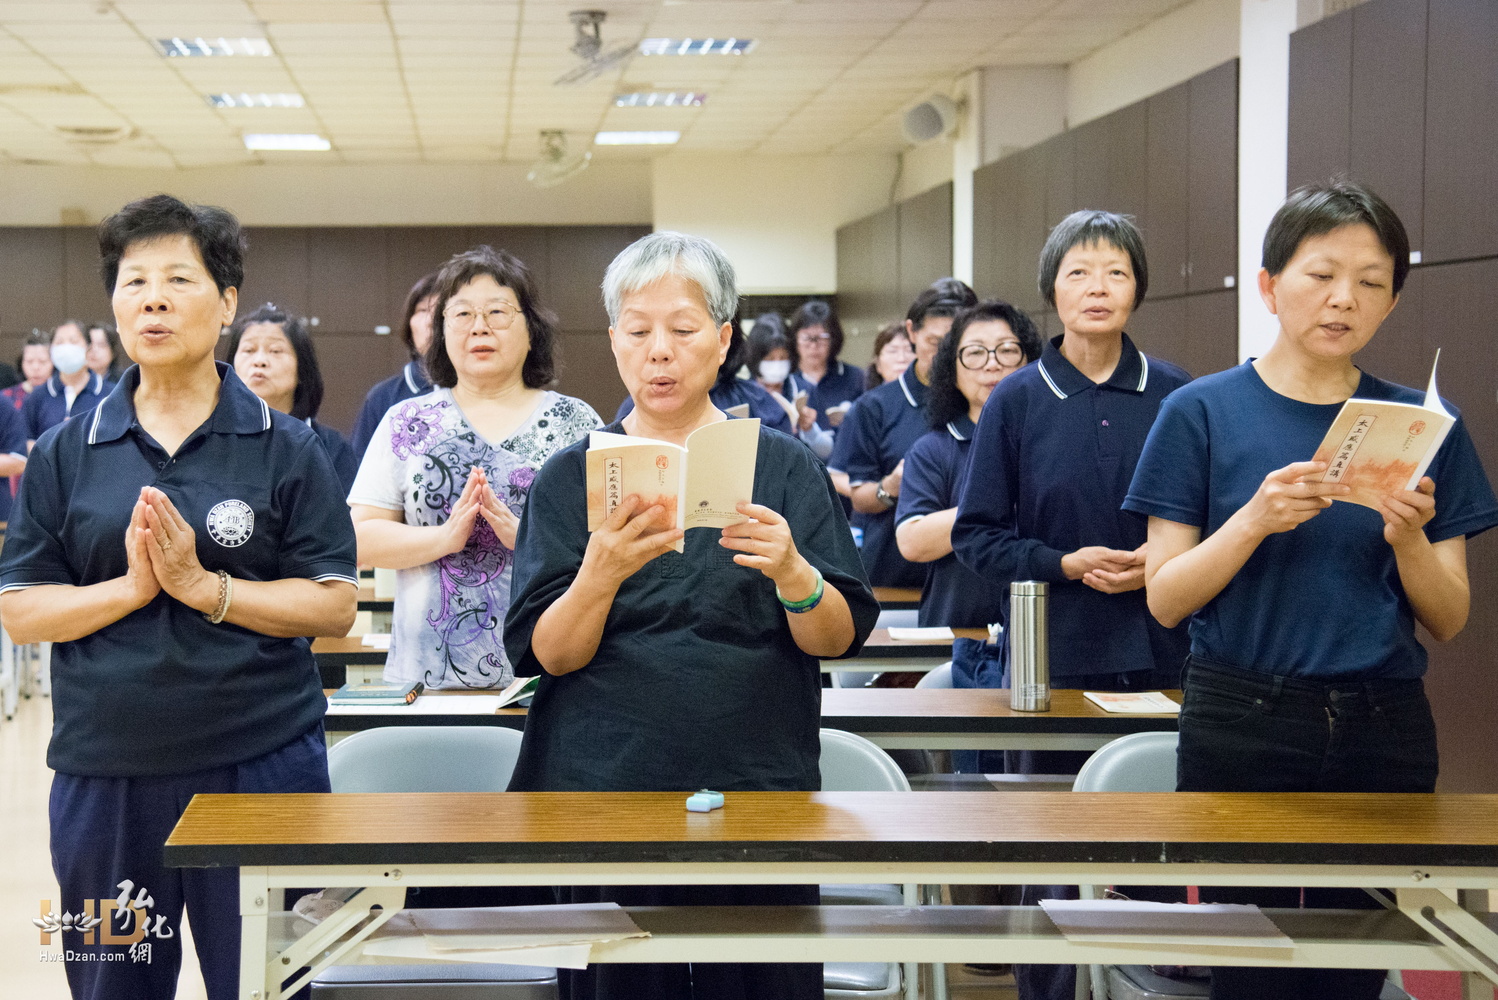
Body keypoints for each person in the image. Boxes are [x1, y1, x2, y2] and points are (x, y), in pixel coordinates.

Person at [1125, 181, 1498, 1000]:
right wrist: (1254, 519)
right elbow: (1165, 597)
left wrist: (1406, 537)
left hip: (1383, 718)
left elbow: (1450, 615)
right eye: (1322, 274)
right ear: (1269, 285)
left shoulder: (1421, 424)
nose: (1344, 299)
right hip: (1243, 713)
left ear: (1394, 299)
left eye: (1372, 282)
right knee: (1249, 963)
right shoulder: (1201, 412)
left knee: (1356, 964)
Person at [0, 193, 358, 1000]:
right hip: (105, 780)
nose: (152, 298)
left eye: (177, 279)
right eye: (133, 282)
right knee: (111, 986)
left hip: (262, 770)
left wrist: (207, 589)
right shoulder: (65, 451)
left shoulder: (287, 446)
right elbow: (20, 605)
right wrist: (131, 590)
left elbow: (334, 603)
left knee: (270, 987)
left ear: (227, 303)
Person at [505, 230, 878, 1000]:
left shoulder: (784, 464)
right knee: (621, 983)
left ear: (724, 337)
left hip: (754, 780)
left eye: (681, 329)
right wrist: (599, 574)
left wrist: (794, 572)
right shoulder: (569, 477)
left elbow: (836, 637)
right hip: (606, 781)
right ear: (613, 343)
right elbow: (551, 656)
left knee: (759, 979)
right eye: (638, 332)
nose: (659, 352)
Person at [951, 211, 1192, 1000]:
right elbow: (977, 538)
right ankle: (1046, 989)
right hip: (1049, 661)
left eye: (1116, 272)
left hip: (1164, 653)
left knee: (1153, 838)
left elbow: (1212, 528)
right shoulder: (1018, 398)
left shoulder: (1181, 396)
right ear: (1052, 289)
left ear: (1138, 288)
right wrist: (1064, 563)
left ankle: (1145, 982)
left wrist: (1162, 561)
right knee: (1050, 848)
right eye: (1080, 273)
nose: (1098, 288)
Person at [349, 245, 601, 692]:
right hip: (425, 680)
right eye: (461, 314)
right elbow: (360, 537)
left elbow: (610, 544)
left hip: (552, 677)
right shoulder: (407, 422)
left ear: (532, 330)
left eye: (498, 312)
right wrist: (443, 538)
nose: (479, 327)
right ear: (441, 331)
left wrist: (527, 538)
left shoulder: (576, 424)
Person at [895, 299, 1041, 631]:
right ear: (952, 370)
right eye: (975, 353)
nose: (992, 365)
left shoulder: (1051, 444)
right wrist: (993, 502)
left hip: (1040, 628)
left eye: (1007, 350)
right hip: (954, 632)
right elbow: (913, 541)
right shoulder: (932, 449)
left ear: (1030, 363)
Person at [830, 279, 976, 586]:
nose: (946, 355)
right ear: (912, 332)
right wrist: (891, 486)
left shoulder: (986, 401)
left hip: (971, 573)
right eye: (936, 343)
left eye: (958, 344)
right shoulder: (874, 407)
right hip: (896, 572)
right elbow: (861, 499)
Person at [227, 303, 358, 493]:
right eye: (248, 350)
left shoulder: (331, 447)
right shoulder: (212, 438)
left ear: (302, 368)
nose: (259, 361)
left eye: (275, 351)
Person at [351, 272, 438, 459]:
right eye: (422, 310)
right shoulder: (382, 398)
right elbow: (360, 477)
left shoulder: (481, 389)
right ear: (409, 324)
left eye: (441, 311)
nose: (431, 322)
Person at [746, 312, 832, 457]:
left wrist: (810, 430)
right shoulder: (743, 394)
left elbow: (827, 452)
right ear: (756, 358)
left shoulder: (805, 389)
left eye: (783, 358)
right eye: (770, 358)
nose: (777, 364)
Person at [22, 319, 110, 446]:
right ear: (51, 349)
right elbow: (27, 440)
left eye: (73, 341)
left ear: (88, 347)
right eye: (59, 342)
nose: (66, 347)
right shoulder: (37, 396)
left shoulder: (109, 394)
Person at [786, 299, 864, 432]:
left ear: (834, 339)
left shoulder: (855, 377)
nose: (814, 346)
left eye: (822, 338)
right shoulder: (786, 378)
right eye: (806, 338)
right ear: (795, 339)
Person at [4, 331, 54, 411]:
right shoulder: (6, 399)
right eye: (29, 361)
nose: (35, 367)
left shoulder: (65, 395)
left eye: (42, 361)